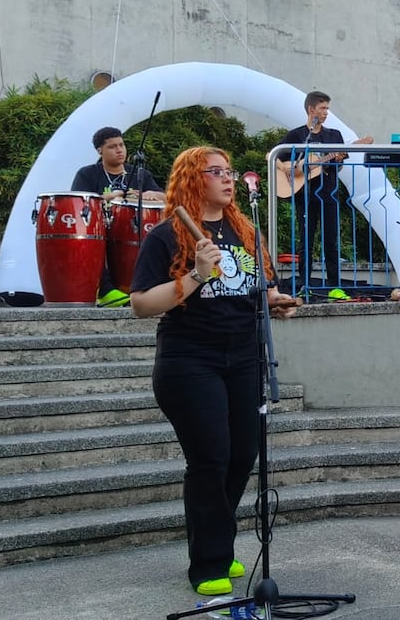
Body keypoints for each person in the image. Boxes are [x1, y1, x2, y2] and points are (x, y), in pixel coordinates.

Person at [129, 146, 298, 596]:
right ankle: (208, 562)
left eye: (229, 171)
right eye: (216, 172)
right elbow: (142, 304)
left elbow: (259, 289)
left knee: (243, 453)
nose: (227, 179)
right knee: (210, 458)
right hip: (189, 360)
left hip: (244, 355)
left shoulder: (245, 231)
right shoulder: (168, 236)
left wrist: (274, 303)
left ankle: (218, 543)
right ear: (193, 179)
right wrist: (197, 275)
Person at [71, 126, 166, 307]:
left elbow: (166, 198)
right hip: (100, 228)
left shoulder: (139, 174)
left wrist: (148, 194)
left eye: (121, 145)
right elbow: (79, 202)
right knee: (91, 242)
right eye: (112, 147)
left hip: (131, 227)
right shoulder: (88, 174)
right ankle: (106, 290)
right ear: (100, 150)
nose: (119, 150)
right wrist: (111, 196)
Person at [277, 91, 354, 300]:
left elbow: (338, 166)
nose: (326, 112)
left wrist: (337, 158)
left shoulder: (334, 135)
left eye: (327, 108)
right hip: (304, 194)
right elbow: (273, 155)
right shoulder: (297, 135)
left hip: (328, 193)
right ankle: (305, 286)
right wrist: (291, 168)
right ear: (311, 109)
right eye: (323, 108)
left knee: (331, 241)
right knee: (306, 241)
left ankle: (335, 287)